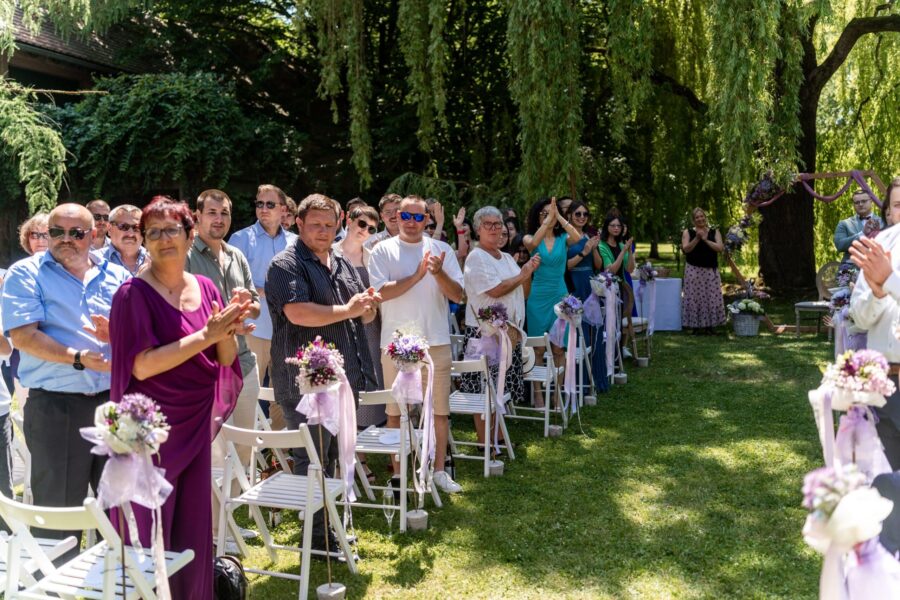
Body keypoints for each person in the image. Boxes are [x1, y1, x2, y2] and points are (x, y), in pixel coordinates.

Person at [109, 197, 247, 600]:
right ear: (145, 242)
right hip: (152, 434)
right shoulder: (131, 295)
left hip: (194, 427)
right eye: (153, 232)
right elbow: (142, 367)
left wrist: (229, 330)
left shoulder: (205, 287)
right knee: (149, 529)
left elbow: (224, 358)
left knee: (191, 530)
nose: (163, 239)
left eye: (172, 229)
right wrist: (207, 334)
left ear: (190, 235)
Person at [2, 203, 130, 546]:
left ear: (93, 235)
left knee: (120, 512)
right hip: (57, 410)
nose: (65, 239)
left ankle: (115, 586)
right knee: (58, 519)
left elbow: (140, 328)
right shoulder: (25, 273)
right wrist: (78, 358)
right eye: (56, 231)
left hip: (113, 406)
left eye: (76, 233)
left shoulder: (118, 276)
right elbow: (23, 336)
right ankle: (56, 589)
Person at [267, 193, 379, 553]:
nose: (323, 231)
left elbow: (363, 311)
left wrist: (367, 308)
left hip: (343, 378)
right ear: (298, 224)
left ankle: (326, 524)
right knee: (311, 457)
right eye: (315, 224)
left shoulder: (341, 262)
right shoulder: (285, 264)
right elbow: (299, 313)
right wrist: (349, 309)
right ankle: (315, 538)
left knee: (330, 456)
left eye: (330, 225)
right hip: (305, 383)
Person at [369, 194, 465, 493]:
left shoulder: (442, 249)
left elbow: (458, 296)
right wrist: (418, 274)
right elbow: (380, 293)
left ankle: (438, 470)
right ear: (396, 217)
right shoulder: (381, 250)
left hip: (435, 341)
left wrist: (438, 273)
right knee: (395, 412)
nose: (411, 222)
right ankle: (398, 474)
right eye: (406, 216)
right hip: (396, 345)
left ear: (428, 220)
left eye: (418, 217)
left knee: (439, 410)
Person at [186, 189, 261, 468]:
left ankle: (234, 507)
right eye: (212, 213)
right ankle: (214, 510)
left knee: (245, 445)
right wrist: (224, 324)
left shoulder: (236, 255)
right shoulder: (186, 256)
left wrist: (245, 308)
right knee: (213, 451)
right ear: (197, 217)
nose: (219, 219)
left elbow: (255, 303)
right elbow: (180, 311)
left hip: (243, 362)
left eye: (224, 213)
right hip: (206, 366)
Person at [461, 207, 540, 444]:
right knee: (484, 388)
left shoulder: (505, 257)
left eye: (499, 224)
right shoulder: (477, 257)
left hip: (508, 333)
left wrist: (526, 275)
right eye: (489, 224)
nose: (496, 229)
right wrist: (523, 273)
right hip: (485, 333)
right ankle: (487, 443)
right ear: (478, 229)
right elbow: (496, 290)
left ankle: (496, 437)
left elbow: (522, 291)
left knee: (500, 387)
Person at [229, 184, 298, 430]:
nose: (264, 209)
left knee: (283, 396)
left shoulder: (295, 242)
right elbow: (236, 285)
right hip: (253, 329)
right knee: (247, 395)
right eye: (260, 204)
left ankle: (279, 459)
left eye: (270, 204)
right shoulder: (240, 239)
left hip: (287, 330)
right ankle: (246, 459)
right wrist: (271, 291)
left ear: (283, 209)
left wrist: (263, 289)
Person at [849, 178, 900, 468]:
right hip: (885, 385)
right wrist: (878, 294)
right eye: (897, 205)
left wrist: (890, 280)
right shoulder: (879, 245)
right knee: (888, 484)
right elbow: (860, 317)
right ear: (890, 212)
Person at [333, 204, 386, 429]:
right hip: (338, 326)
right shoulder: (331, 252)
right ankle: (342, 451)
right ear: (349, 222)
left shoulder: (373, 257)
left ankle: (362, 453)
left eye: (372, 229)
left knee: (369, 382)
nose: (365, 231)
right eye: (362, 224)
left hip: (369, 328)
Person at [563, 200, 608, 393]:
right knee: (576, 331)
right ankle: (577, 380)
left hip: (589, 286)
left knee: (593, 330)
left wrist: (594, 248)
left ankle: (595, 379)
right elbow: (566, 266)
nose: (582, 217)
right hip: (573, 284)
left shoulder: (589, 236)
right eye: (577, 214)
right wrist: (585, 251)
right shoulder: (565, 238)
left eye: (585, 214)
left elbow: (598, 265)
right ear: (570, 216)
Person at [524, 197, 581, 338]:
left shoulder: (563, 238)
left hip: (559, 292)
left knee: (559, 346)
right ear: (536, 215)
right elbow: (533, 244)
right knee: (538, 346)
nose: (548, 216)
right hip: (537, 295)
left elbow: (577, 237)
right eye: (544, 213)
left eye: (551, 213)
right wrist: (547, 221)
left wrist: (559, 217)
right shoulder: (528, 237)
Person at [680, 207, 726, 335]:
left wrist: (705, 239)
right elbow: (686, 249)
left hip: (710, 270)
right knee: (694, 297)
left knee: (711, 297)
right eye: (697, 217)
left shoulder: (714, 232)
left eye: (702, 216)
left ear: (705, 217)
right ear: (693, 220)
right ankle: (695, 326)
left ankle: (710, 326)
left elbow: (720, 248)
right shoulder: (688, 232)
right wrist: (697, 239)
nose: (700, 219)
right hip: (693, 269)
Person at [99, 204, 149, 275]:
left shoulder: (157, 262)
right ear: (109, 229)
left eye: (137, 227)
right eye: (123, 226)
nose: (130, 234)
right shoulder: (94, 261)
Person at [835, 190, 884, 263]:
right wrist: (862, 233)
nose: (860, 204)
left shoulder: (884, 222)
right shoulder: (844, 224)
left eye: (864, 201)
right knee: (843, 274)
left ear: (871, 201)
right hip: (850, 267)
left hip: (877, 267)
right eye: (857, 202)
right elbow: (839, 245)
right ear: (853, 204)